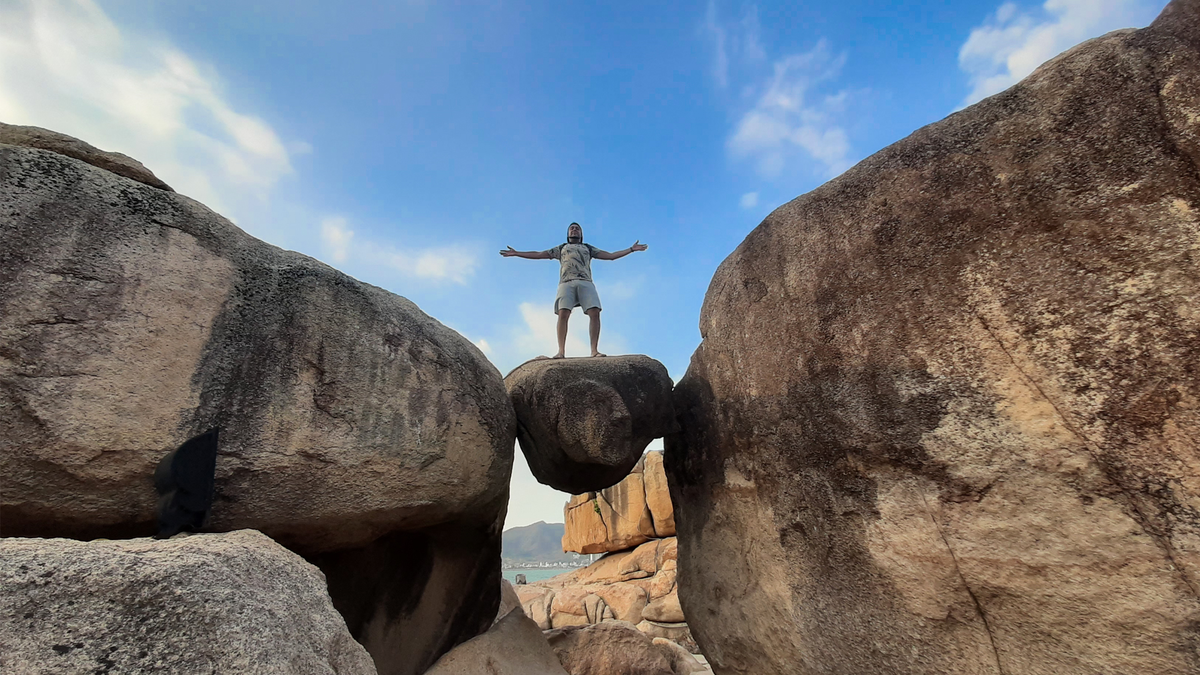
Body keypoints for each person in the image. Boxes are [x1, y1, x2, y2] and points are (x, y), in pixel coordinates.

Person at [500, 222, 647, 358]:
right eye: (572, 228)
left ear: (581, 234)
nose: (574, 230)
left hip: (585, 282)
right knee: (563, 313)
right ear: (568, 233)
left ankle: (594, 351)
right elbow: (539, 254)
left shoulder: (588, 248)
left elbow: (610, 256)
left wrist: (631, 249)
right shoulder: (561, 248)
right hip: (566, 283)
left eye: (577, 228)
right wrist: (517, 253)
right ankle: (561, 351)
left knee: (594, 312)